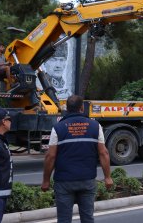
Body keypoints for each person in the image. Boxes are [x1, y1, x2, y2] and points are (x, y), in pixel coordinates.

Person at [41, 95, 113, 223]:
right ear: (81, 108)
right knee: (87, 218)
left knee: (63, 219)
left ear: (67, 108)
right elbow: (104, 153)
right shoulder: (95, 126)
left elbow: (50, 156)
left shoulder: (58, 128)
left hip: (64, 182)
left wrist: (46, 180)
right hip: (87, 180)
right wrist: (107, 177)